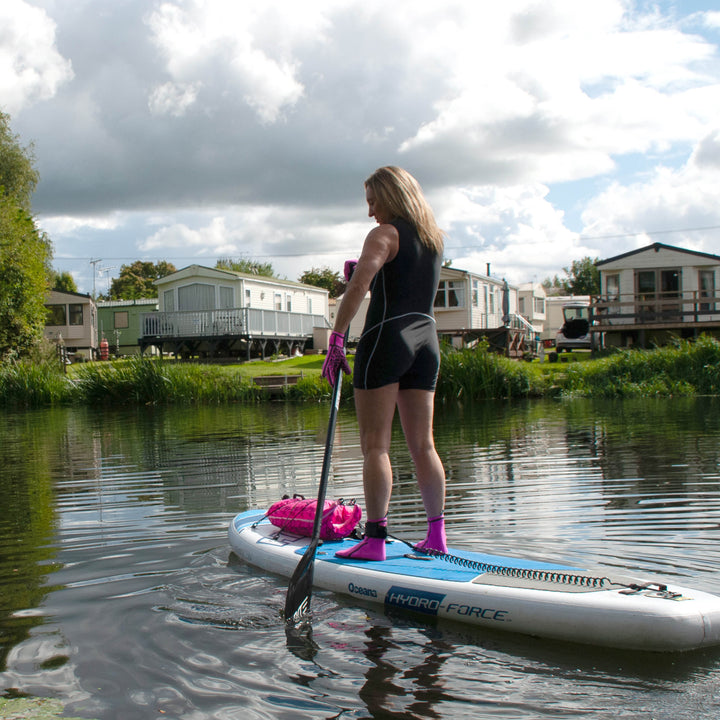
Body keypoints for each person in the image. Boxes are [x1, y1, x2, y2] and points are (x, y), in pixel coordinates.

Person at [321, 166, 447, 561]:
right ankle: (436, 537)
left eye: (374, 202)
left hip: (387, 339)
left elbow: (360, 286)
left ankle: (374, 541)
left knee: (375, 446)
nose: (371, 212)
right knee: (423, 444)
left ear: (391, 197)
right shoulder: (433, 240)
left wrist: (337, 338)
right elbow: (404, 284)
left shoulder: (383, 234)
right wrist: (366, 274)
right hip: (426, 341)